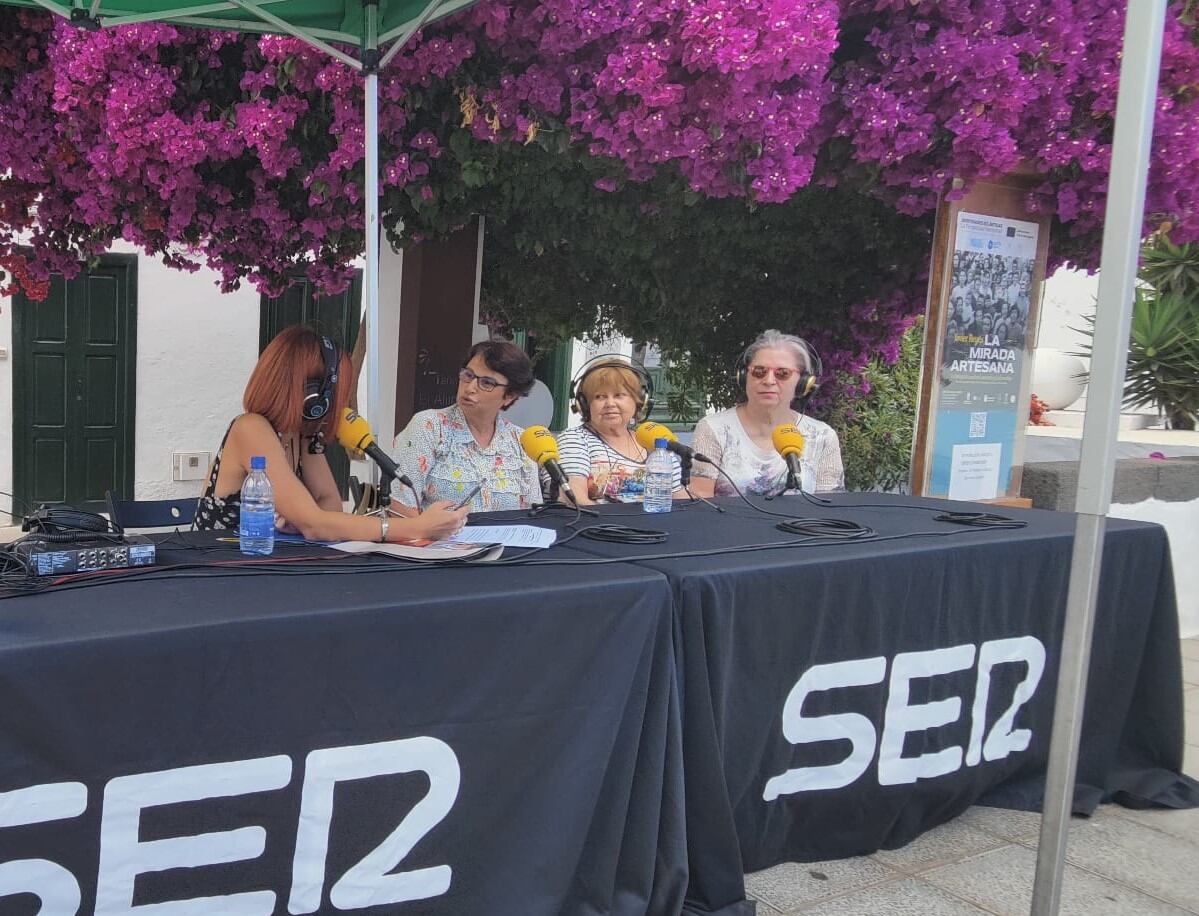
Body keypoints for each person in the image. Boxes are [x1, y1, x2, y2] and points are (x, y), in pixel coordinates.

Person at [195, 325, 467, 542]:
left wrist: (301, 518)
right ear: (316, 398)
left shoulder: (301, 436)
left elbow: (330, 507)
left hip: (268, 568)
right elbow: (316, 525)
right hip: (218, 573)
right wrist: (415, 528)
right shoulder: (251, 428)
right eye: (339, 394)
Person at [688, 329, 845, 497]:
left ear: (803, 382)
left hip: (801, 524)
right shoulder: (713, 429)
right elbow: (700, 500)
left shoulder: (822, 436)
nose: (769, 381)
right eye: (759, 371)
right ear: (744, 376)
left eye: (782, 373)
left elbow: (830, 506)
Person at [392, 340, 542, 511]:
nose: (470, 388)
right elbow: (400, 510)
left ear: (510, 395)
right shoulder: (429, 426)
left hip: (505, 537)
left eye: (486, 383)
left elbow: (533, 514)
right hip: (436, 537)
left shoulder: (521, 441)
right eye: (468, 375)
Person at [557, 358, 682, 504]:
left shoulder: (654, 441)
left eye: (619, 395)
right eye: (600, 397)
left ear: (639, 401)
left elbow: (680, 500)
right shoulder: (574, 440)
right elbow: (574, 499)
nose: (610, 404)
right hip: (596, 525)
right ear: (584, 404)